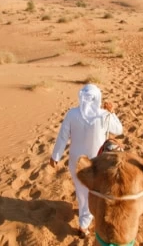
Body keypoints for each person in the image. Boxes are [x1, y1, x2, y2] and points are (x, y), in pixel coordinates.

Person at [49, 84, 123, 238]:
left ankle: (84, 222)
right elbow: (118, 130)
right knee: (95, 192)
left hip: (77, 162)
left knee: (82, 193)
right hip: (98, 163)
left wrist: (56, 156)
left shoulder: (72, 114)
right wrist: (112, 112)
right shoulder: (103, 115)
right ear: (98, 98)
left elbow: (63, 136)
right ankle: (85, 223)